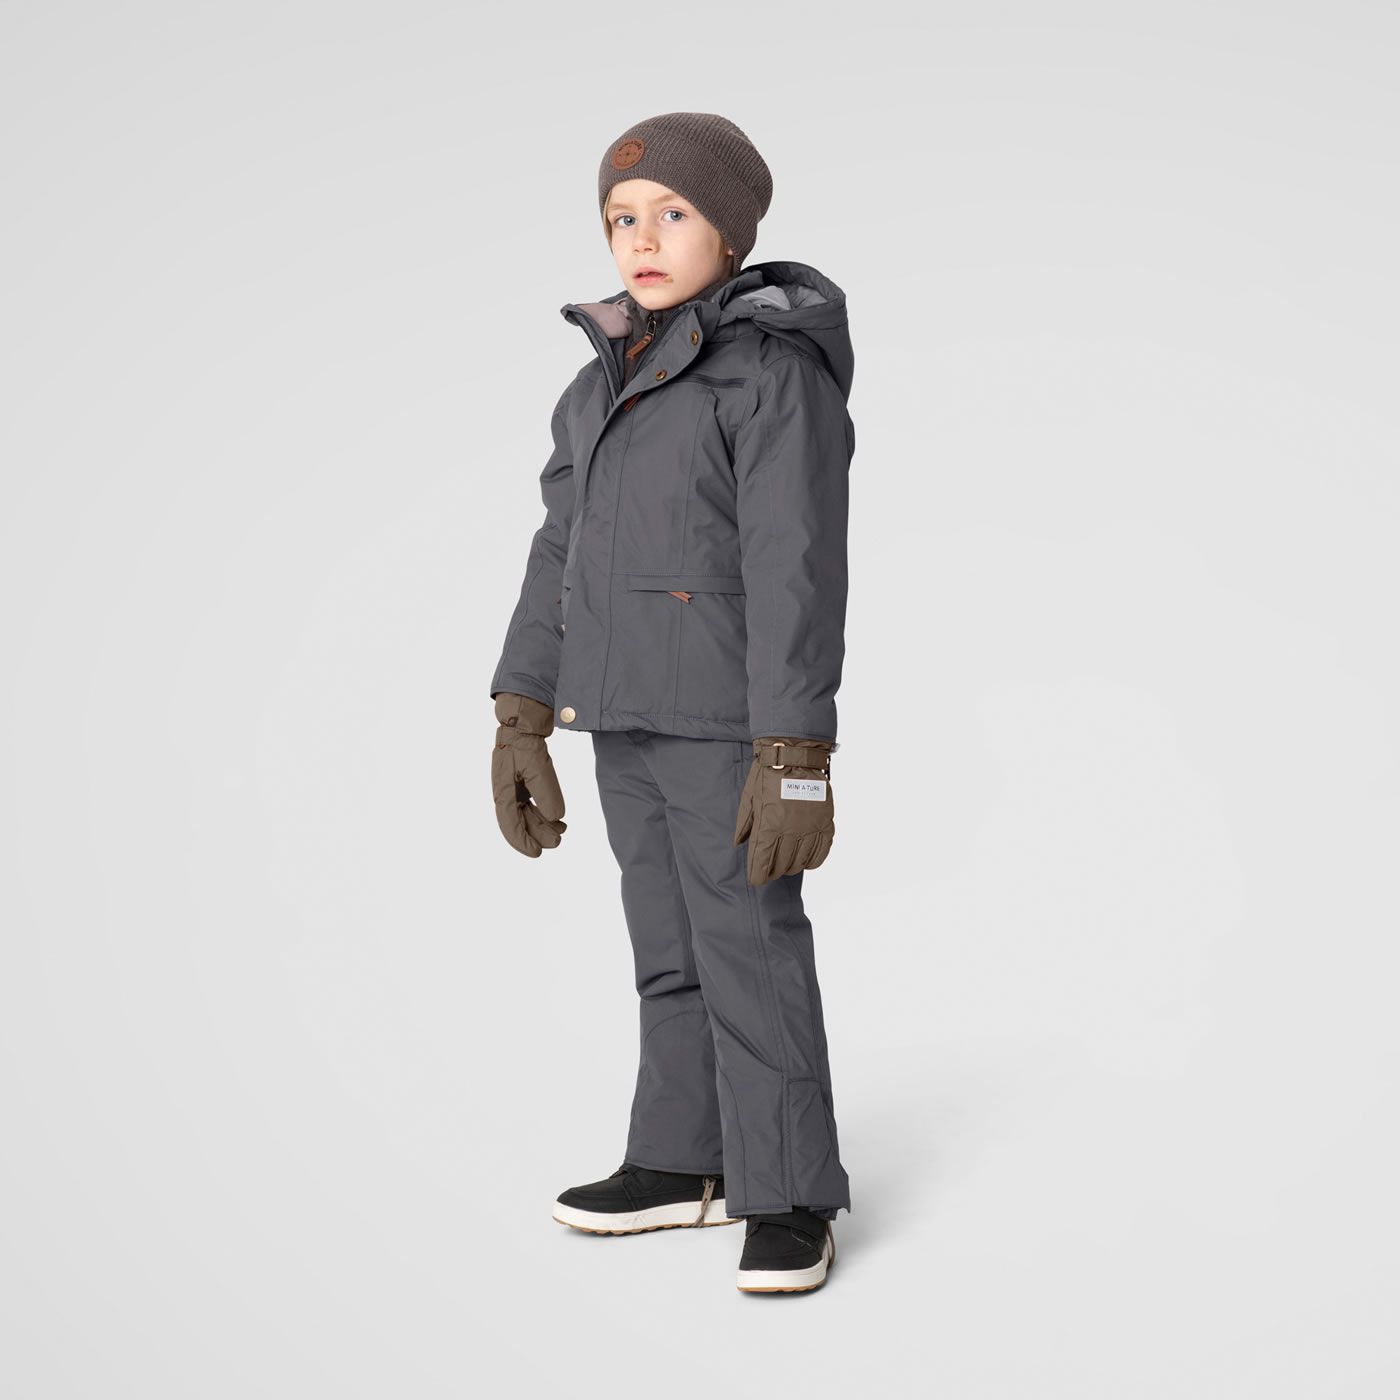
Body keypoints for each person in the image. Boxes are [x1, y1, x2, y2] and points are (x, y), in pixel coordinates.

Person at [489, 112, 855, 1294]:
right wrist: (520, 708)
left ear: (729, 232)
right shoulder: (598, 382)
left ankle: (786, 1190)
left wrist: (794, 753)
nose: (639, 239)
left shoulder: (771, 375)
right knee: (668, 949)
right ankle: (682, 1157)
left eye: (671, 213)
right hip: (623, 716)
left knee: (748, 946)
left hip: (729, 727)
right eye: (620, 218)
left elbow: (796, 567)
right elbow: (560, 550)